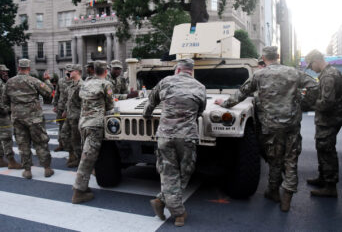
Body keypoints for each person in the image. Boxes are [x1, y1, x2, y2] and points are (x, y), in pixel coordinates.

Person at [215, 46, 318, 212]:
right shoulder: (293, 72)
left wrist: (224, 103)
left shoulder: (259, 74)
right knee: (291, 159)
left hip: (270, 125)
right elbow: (314, 86)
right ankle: (287, 196)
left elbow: (241, 93)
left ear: (263, 57)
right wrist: (303, 103)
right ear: (278, 56)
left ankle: (273, 191)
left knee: (275, 159)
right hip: (291, 123)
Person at [143, 59, 206, 227]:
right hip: (186, 137)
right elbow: (200, 110)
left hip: (165, 135)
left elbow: (151, 101)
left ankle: (161, 200)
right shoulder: (200, 86)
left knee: (169, 172)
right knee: (185, 171)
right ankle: (179, 213)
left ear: (177, 70)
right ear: (191, 71)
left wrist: (147, 114)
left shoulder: (165, 81)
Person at [3, 59, 54, 179]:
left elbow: (4, 101)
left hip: (18, 119)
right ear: (29, 68)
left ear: (19, 68)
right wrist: (47, 80)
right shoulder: (33, 81)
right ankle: (47, 168)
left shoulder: (9, 82)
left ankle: (27, 170)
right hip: (34, 118)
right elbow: (49, 93)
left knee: (23, 144)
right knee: (41, 142)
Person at [72, 60, 114, 204]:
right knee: (87, 158)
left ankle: (84, 186)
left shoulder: (85, 84)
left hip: (83, 123)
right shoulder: (105, 84)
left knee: (87, 154)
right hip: (95, 125)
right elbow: (110, 105)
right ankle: (79, 191)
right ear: (106, 71)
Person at [305, 49, 342, 197]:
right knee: (322, 147)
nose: (311, 69)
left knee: (327, 150)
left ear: (316, 61)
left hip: (329, 119)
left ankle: (330, 186)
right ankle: (323, 178)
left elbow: (327, 103)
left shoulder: (328, 76)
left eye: (310, 66)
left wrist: (311, 104)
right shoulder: (330, 73)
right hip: (329, 118)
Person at [0, 64, 22, 169]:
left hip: (0, 113)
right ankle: (11, 161)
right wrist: (3, 108)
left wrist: (7, 80)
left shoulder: (0, 81)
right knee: (7, 137)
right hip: (0, 114)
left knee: (1, 137)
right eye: (3, 71)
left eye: (6, 71)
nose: (6, 72)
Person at [61, 64, 83, 168]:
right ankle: (73, 155)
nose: (69, 72)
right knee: (64, 136)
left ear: (78, 72)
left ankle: (80, 160)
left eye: (72, 71)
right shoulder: (71, 85)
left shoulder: (82, 85)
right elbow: (68, 101)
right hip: (69, 116)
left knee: (77, 140)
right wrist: (65, 110)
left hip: (77, 117)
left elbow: (84, 103)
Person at [52, 65, 72, 152]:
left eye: (70, 71)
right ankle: (61, 144)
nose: (68, 72)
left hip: (71, 108)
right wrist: (55, 105)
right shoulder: (61, 81)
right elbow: (57, 94)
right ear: (65, 71)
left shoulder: (74, 81)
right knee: (61, 127)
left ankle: (71, 147)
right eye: (67, 70)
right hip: (61, 107)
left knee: (71, 128)